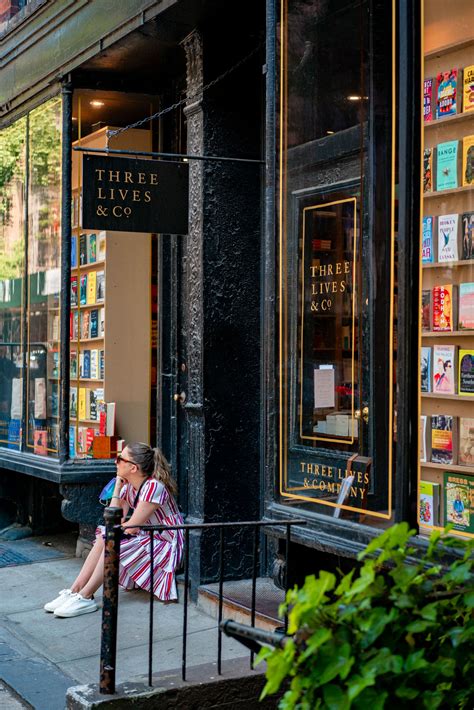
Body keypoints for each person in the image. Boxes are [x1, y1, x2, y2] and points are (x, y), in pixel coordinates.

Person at [44, 443, 184, 618]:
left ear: (133, 468)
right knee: (106, 534)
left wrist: (115, 530)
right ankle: (76, 590)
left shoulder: (153, 487)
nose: (115, 462)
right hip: (149, 537)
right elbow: (113, 520)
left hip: (168, 544)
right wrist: (118, 486)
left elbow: (132, 526)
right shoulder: (129, 487)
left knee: (112, 537)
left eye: (120, 459)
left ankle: (86, 595)